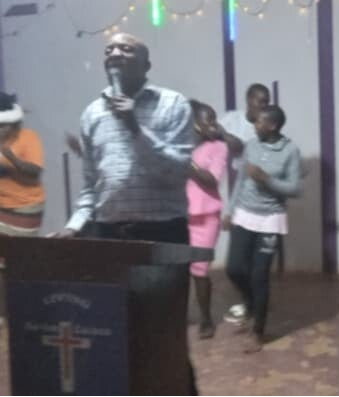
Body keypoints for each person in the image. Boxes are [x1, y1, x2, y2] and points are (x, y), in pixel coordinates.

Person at [54, 33, 197, 394]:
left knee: (162, 333)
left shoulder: (172, 104)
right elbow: (91, 185)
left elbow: (178, 169)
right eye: (109, 50)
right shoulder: (92, 113)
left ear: (146, 65)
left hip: (160, 237)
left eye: (126, 49)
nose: (115, 53)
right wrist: (74, 226)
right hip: (106, 238)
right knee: (112, 329)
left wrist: (135, 126)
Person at [222, 104, 302, 353]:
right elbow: (241, 182)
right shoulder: (252, 145)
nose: (255, 125)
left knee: (259, 275)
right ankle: (251, 305)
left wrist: (266, 179)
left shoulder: (290, 150)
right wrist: (231, 210)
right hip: (244, 214)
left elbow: (295, 188)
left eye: (259, 122)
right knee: (234, 268)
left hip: (270, 220)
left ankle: (259, 330)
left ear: (273, 125)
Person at [219, 83, 272, 325]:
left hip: (263, 200)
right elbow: (214, 129)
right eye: (259, 100)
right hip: (239, 194)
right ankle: (250, 300)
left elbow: (238, 146)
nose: (263, 105)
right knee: (235, 267)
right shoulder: (232, 118)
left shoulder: (266, 127)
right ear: (248, 100)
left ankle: (256, 311)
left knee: (255, 266)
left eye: (266, 101)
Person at [187, 100, 229, 340]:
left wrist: (186, 162)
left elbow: (211, 180)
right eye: (208, 119)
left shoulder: (218, 147)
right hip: (179, 215)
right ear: (194, 123)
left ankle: (206, 319)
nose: (214, 124)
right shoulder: (178, 144)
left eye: (214, 118)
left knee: (200, 270)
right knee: (176, 269)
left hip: (206, 217)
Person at [0, 92, 45, 237]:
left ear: (13, 124)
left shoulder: (28, 137)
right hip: (2, 205)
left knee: (16, 252)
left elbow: (35, 170)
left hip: (25, 206)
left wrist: (12, 159)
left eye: (2, 126)